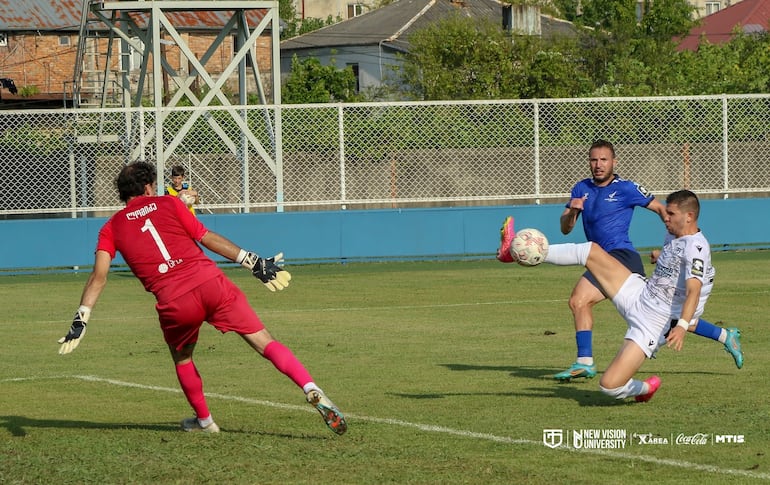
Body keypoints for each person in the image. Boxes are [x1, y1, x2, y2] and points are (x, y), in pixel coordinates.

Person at [57, 161, 346, 435]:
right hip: (211, 283)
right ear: (147, 187)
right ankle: (309, 387)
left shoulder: (111, 228)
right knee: (264, 341)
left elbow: (99, 276)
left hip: (174, 301)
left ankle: (205, 421)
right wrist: (253, 261)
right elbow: (206, 237)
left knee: (182, 358)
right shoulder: (169, 203)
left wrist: (82, 316)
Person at [497, 139, 743, 380]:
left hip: (621, 256)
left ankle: (585, 362)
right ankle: (723, 335)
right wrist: (573, 210)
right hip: (601, 256)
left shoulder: (627, 188)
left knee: (581, 299)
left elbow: (659, 208)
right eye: (594, 160)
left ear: (614, 161)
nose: (598, 164)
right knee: (667, 317)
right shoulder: (581, 188)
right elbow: (565, 228)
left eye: (604, 159)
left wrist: (676, 244)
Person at [499, 190, 713, 402]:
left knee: (609, 386)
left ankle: (646, 388)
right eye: (666, 212)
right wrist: (661, 257)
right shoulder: (675, 235)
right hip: (639, 293)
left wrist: (683, 326)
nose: (666, 218)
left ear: (689, 217)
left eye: (671, 214)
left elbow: (694, 289)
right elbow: (675, 261)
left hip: (653, 323)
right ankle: (519, 254)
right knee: (590, 251)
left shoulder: (697, 248)